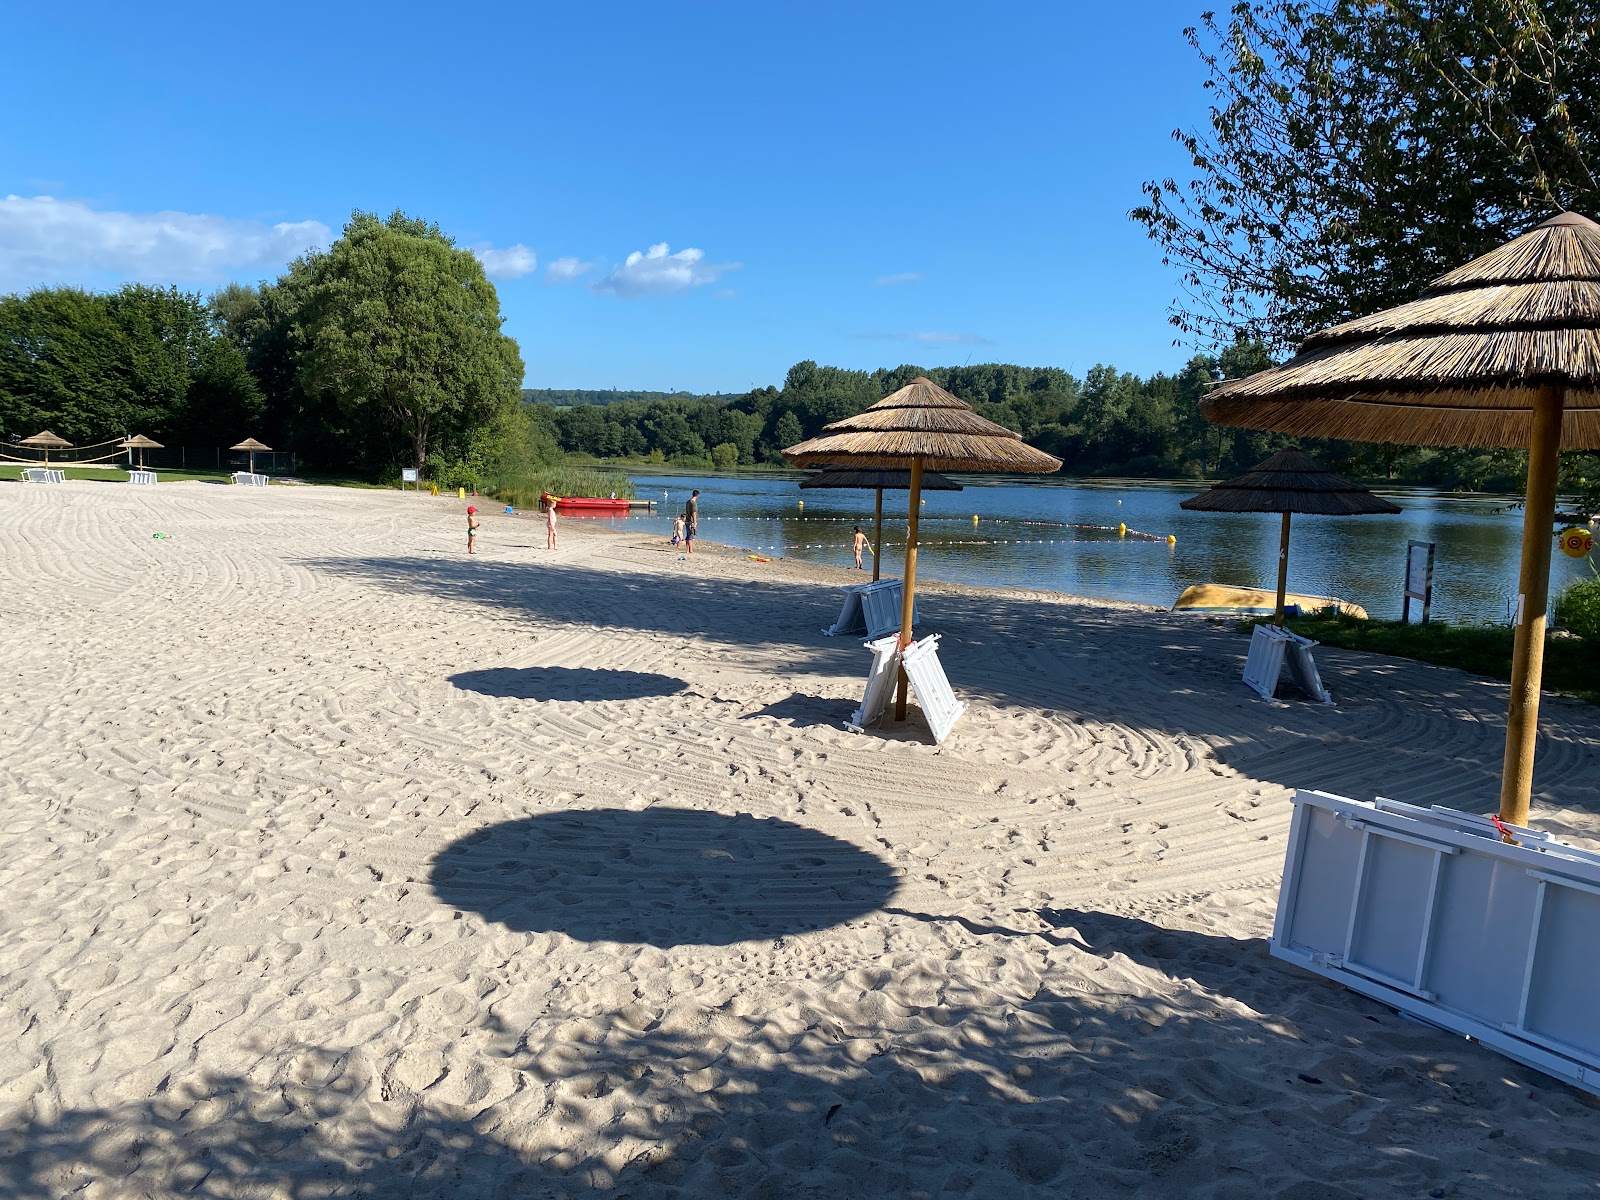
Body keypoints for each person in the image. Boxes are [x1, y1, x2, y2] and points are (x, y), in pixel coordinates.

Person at [683, 489, 699, 554]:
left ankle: (687, 550)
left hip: (687, 520)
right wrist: (694, 523)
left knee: (688, 535)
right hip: (690, 521)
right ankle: (691, 550)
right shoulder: (693, 503)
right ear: (697, 495)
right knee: (690, 536)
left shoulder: (688, 502)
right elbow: (694, 513)